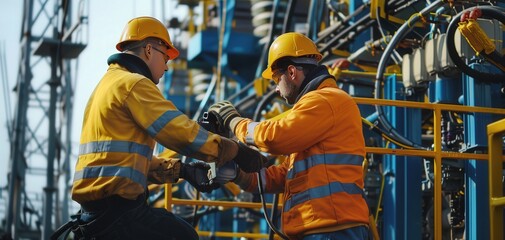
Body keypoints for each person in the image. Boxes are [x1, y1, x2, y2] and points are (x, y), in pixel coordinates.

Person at [65, 16, 267, 240]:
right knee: (184, 236)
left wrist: (182, 171)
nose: (168, 66)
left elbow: (121, 161)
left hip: (96, 216)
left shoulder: (106, 85)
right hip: (119, 215)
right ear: (149, 50)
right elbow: (180, 133)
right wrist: (234, 150)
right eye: (166, 56)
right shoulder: (134, 84)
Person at [209, 32, 370, 240]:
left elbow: (273, 138)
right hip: (322, 227)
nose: (276, 89)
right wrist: (239, 176)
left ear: (292, 72)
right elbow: (286, 175)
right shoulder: (314, 108)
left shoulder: (326, 100)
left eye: (276, 79)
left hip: (332, 228)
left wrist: (234, 121)